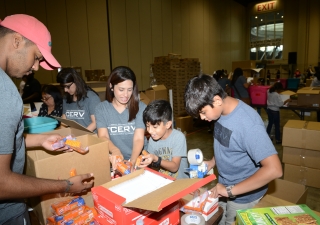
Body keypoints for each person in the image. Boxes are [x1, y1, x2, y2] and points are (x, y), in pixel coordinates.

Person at [0, 14, 94, 224]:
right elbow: (2, 183)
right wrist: (67, 186)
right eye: (37, 57)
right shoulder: (4, 91)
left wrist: (39, 140)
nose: (35, 67)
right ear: (16, 41)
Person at [184, 74, 282, 225]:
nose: (202, 118)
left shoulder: (248, 124)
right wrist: (212, 162)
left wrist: (230, 191)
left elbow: (275, 169)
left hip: (243, 195)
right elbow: (226, 141)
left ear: (216, 100)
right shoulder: (219, 113)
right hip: (223, 186)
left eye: (203, 113)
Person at [95, 66, 147, 168]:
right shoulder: (101, 109)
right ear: (111, 86)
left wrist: (132, 161)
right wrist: (115, 150)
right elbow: (103, 136)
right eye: (121, 89)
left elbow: (138, 138)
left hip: (138, 159)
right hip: (115, 159)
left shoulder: (141, 107)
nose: (126, 95)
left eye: (129, 90)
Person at [139, 100, 189, 179]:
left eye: (155, 127)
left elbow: (174, 167)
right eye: (148, 126)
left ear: (168, 124)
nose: (150, 131)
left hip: (181, 184)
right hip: (165, 183)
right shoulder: (152, 140)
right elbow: (153, 166)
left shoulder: (178, 137)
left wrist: (156, 159)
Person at [57, 67, 101, 132]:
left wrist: (80, 136)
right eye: (63, 87)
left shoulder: (91, 97)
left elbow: (95, 123)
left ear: (76, 81)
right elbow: (64, 123)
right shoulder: (66, 98)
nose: (65, 90)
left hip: (89, 137)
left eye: (68, 86)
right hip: (74, 137)